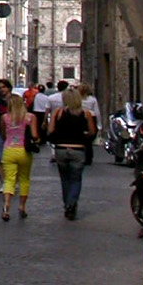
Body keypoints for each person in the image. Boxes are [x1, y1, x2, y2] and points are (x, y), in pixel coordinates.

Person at [49, 85, 97, 218]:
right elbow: (92, 132)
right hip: (78, 149)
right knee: (76, 179)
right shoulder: (86, 113)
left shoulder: (58, 113)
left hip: (61, 149)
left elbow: (50, 131)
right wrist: (83, 137)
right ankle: (72, 202)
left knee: (64, 179)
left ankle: (67, 204)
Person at [0, 93, 39, 220]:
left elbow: (3, 134)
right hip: (24, 151)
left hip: (9, 150)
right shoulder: (30, 117)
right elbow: (35, 135)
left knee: (9, 180)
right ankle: (22, 206)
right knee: (24, 178)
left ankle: (6, 205)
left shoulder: (5, 118)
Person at [79, 82, 102, 165]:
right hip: (91, 117)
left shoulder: (78, 99)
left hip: (80, 118)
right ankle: (89, 157)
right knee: (88, 141)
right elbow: (97, 112)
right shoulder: (92, 99)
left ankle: (80, 156)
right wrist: (99, 125)